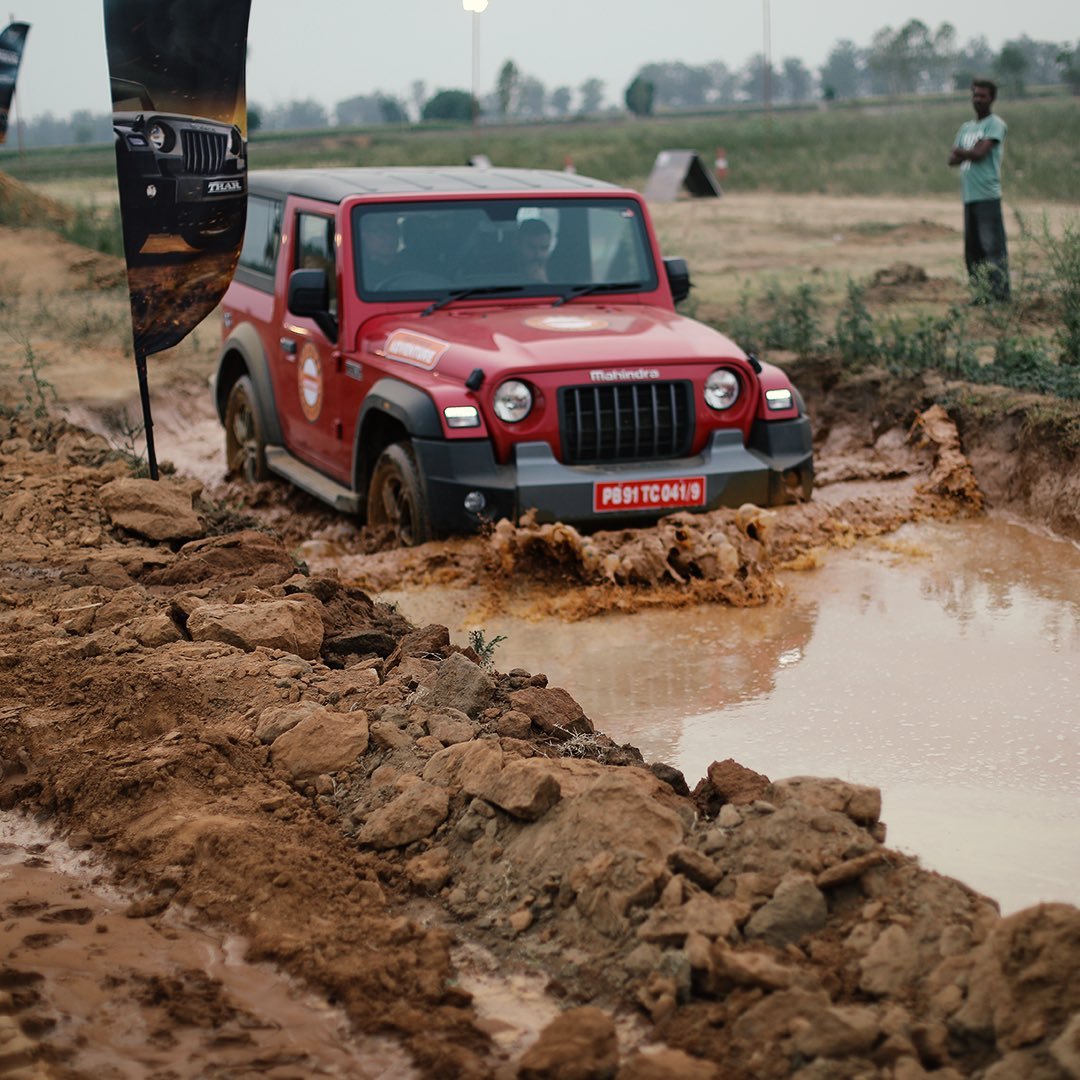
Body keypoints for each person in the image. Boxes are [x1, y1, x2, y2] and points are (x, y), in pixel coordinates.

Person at [948, 78, 1010, 303]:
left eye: (983, 96)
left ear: (992, 98)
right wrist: (966, 151)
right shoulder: (967, 128)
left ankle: (1000, 296)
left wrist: (963, 151)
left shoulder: (995, 124)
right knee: (973, 251)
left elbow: (980, 153)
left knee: (992, 248)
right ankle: (981, 295)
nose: (978, 100)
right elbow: (951, 159)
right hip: (969, 196)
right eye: (975, 95)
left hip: (987, 195)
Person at [361, 213, 402, 286]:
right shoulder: (356, 270)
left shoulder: (412, 265)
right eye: (380, 232)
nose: (390, 237)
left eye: (393, 230)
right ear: (364, 235)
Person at [516, 218, 552, 282]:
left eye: (544, 248)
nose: (538, 255)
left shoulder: (561, 274)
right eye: (531, 247)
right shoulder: (501, 270)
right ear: (518, 245)